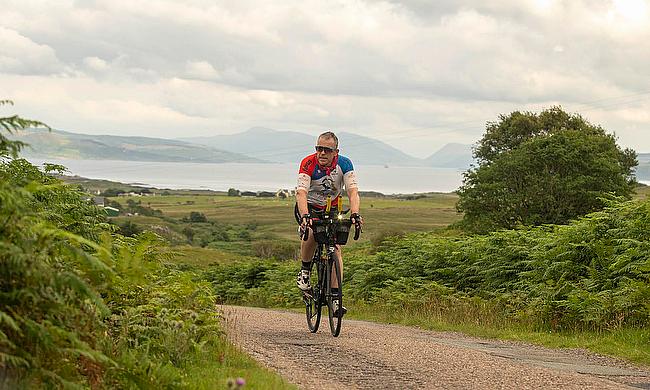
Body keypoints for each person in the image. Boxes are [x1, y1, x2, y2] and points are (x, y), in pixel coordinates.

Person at [295, 131, 363, 317]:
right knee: (311, 232)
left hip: (332, 208)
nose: (321, 153)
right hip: (308, 206)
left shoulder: (345, 164)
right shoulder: (308, 163)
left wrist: (356, 213)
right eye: (318, 148)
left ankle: (335, 298)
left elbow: (353, 191)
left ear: (336, 152)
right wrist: (305, 216)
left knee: (336, 248)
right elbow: (301, 193)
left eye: (327, 150)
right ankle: (305, 271)